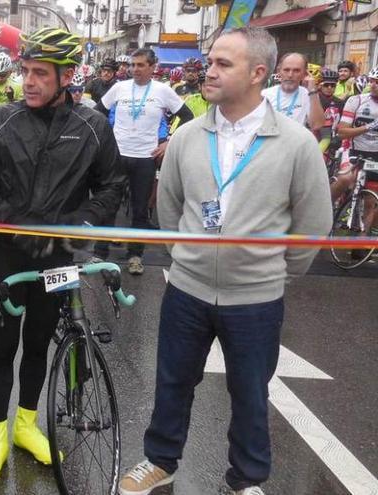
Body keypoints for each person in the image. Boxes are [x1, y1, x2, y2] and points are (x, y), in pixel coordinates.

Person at [118, 26, 332, 495]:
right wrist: (188, 256)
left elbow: (314, 222)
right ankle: (160, 461)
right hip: (187, 290)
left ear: (259, 73)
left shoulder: (296, 144)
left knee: (251, 393)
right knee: (173, 381)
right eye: (210, 61)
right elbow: (170, 207)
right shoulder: (189, 136)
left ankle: (246, 479)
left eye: (222, 64)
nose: (208, 72)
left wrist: (272, 272)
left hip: (256, 298)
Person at [0, 26, 124, 484]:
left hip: (57, 260)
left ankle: (26, 425)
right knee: (2, 347)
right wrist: (13, 220)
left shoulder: (92, 126)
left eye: (39, 73)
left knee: (37, 346)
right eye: (25, 72)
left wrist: (81, 224)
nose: (28, 82)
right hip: (7, 256)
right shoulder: (2, 121)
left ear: (68, 75)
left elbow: (112, 184)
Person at [94, 48, 193, 274]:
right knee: (108, 206)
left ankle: (135, 256)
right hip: (117, 157)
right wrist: (104, 139)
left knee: (140, 211)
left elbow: (187, 116)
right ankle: (99, 254)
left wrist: (169, 141)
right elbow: (99, 112)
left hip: (145, 158)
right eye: (132, 65)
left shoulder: (163, 91)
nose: (134, 69)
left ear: (152, 67)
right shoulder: (119, 87)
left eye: (140, 65)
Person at [335, 66, 378, 247]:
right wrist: (368, 127)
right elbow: (342, 132)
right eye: (372, 81)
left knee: (371, 200)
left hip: (375, 156)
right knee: (347, 178)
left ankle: (363, 238)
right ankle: (324, 209)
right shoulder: (356, 100)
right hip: (353, 150)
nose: (373, 85)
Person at [262, 52, 323, 130]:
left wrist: (313, 91)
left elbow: (317, 125)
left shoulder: (309, 95)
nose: (290, 75)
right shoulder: (265, 95)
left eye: (296, 71)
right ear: (278, 71)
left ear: (304, 73)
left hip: (296, 141)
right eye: (286, 70)